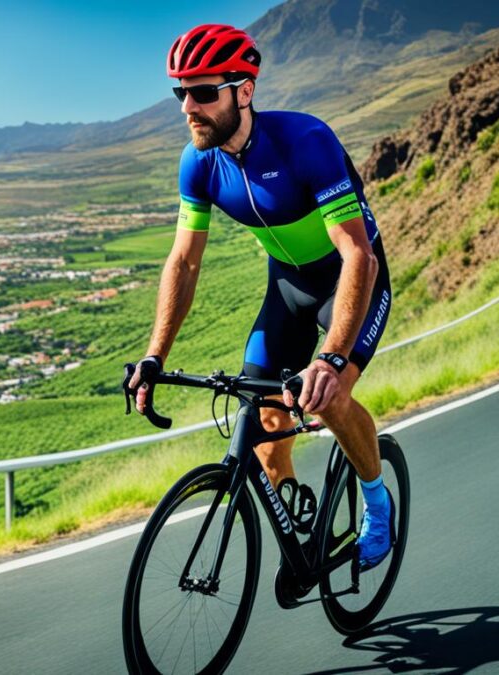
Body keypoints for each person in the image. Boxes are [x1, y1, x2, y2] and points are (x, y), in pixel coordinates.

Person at [128, 24, 394, 569]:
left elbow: (357, 256)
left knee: (330, 395)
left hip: (350, 280)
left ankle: (377, 502)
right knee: (265, 418)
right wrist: (156, 355)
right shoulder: (198, 164)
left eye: (204, 92)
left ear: (243, 91)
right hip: (288, 289)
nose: (189, 107)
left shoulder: (305, 143)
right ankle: (300, 522)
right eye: (181, 93)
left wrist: (332, 358)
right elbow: (184, 261)